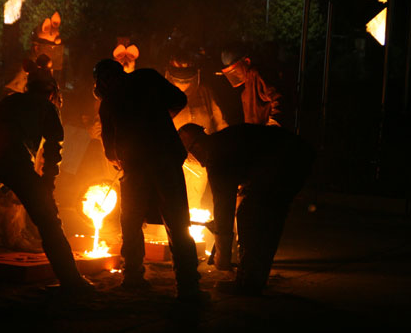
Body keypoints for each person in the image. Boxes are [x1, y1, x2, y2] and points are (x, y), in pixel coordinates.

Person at [0, 63, 93, 295]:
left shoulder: (9, 101)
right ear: (51, 91)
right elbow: (55, 147)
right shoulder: (47, 107)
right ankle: (71, 279)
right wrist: (48, 183)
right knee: (48, 220)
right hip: (15, 160)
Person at [93, 59, 205, 302]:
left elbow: (110, 153)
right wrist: (160, 119)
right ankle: (187, 285)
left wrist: (122, 156)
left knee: (131, 222)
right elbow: (179, 100)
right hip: (167, 157)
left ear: (102, 82)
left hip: (136, 166)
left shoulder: (109, 102)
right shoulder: (147, 77)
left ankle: (133, 277)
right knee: (177, 221)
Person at [178, 123, 314, 294]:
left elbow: (223, 207)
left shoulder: (215, 156)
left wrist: (223, 255)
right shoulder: (222, 141)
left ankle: (249, 282)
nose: (195, 159)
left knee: (251, 216)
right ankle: (254, 279)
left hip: (285, 161)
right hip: (297, 156)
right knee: (268, 218)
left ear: (196, 145)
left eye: (192, 152)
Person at [165, 41, 228, 211]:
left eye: (186, 78)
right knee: (173, 203)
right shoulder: (164, 95)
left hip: (200, 161)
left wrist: (224, 150)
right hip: (173, 160)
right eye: (179, 79)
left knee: (192, 204)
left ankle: (186, 236)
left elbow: (220, 122)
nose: (183, 84)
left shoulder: (205, 92)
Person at [218, 45, 281, 126]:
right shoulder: (247, 86)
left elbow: (278, 99)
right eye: (232, 73)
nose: (235, 75)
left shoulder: (257, 75)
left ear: (247, 61)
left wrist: (273, 124)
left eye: (235, 70)